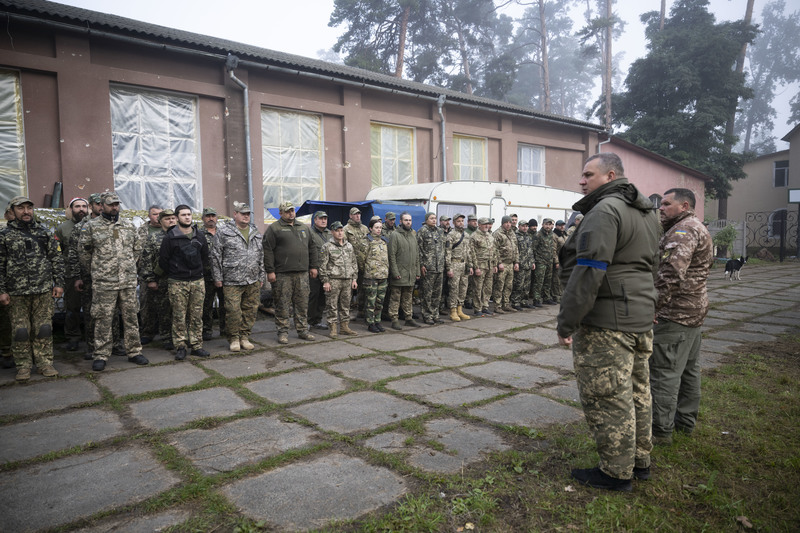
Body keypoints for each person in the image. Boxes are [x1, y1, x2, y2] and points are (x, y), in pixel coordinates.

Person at [557, 152, 660, 492]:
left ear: (610, 175)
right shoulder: (646, 212)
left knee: (607, 396)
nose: (581, 181)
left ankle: (616, 472)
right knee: (637, 391)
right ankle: (640, 461)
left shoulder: (605, 211)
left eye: (588, 174)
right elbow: (650, 267)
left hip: (609, 321)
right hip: (639, 316)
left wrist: (568, 322)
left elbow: (589, 271)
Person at [651, 188, 713, 445]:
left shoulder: (683, 230)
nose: (661, 208)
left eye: (666, 204)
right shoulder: (696, 226)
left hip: (675, 314)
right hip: (693, 311)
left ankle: (661, 431)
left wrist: (653, 307)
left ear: (684, 205)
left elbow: (671, 274)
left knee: (664, 372)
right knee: (689, 370)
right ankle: (685, 423)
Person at [79, 192, 149, 371]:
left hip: (126, 282)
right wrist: (97, 270)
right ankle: (101, 354)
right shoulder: (91, 226)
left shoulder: (127, 225)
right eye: (111, 204)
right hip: (104, 282)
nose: (115, 207)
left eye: (117, 204)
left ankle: (134, 351)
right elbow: (84, 253)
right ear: (102, 206)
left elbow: (136, 249)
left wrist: (127, 266)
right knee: (103, 319)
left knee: (131, 317)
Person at [0, 196, 64, 381]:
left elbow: (56, 259)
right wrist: (2, 290)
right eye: (21, 208)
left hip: (42, 290)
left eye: (29, 208)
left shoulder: (44, 232)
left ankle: (45, 363)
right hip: (16, 293)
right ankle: (23, 366)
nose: (26, 212)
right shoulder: (4, 236)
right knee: (20, 331)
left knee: (43, 328)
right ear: (12, 211)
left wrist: (58, 283)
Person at [263, 201, 319, 345]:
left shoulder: (304, 228)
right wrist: (270, 271)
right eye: (287, 211)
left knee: (302, 304)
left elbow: (312, 247)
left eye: (292, 211)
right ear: (281, 213)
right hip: (282, 274)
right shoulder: (274, 228)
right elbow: (267, 250)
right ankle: (282, 332)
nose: (291, 213)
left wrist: (314, 266)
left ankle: (302, 330)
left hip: (302, 274)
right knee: (282, 304)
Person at [211, 201, 264, 352]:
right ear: (235, 214)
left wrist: (261, 275)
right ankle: (234, 338)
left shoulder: (255, 231)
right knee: (233, 310)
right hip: (232, 279)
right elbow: (215, 255)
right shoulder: (224, 231)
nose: (246, 216)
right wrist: (217, 277)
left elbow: (261, 255)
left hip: (252, 278)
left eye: (248, 214)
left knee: (250, 309)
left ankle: (245, 336)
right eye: (243, 214)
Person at [160, 205, 210, 360]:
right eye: (183, 215)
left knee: (196, 315)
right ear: (177, 217)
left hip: (197, 281)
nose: (187, 217)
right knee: (179, 315)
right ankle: (181, 346)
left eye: (189, 214)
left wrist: (197, 272)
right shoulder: (170, 237)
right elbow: (163, 261)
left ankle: (196, 345)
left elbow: (205, 258)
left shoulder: (199, 236)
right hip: (177, 282)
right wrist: (177, 271)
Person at [139, 209, 177, 349]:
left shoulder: (182, 235)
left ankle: (179, 336)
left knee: (178, 309)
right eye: (167, 219)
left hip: (179, 279)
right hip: (161, 279)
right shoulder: (153, 237)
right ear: (160, 221)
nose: (171, 221)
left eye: (173, 218)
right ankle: (166, 337)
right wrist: (150, 279)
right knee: (164, 309)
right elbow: (147, 260)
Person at [56, 197, 88, 352]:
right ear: (71, 209)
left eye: (84, 206)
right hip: (71, 274)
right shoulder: (62, 228)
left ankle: (92, 337)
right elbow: (58, 251)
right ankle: (73, 337)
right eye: (77, 206)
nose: (81, 209)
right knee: (73, 308)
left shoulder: (92, 225)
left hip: (90, 272)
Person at [319, 221, 358, 338]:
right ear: (332, 232)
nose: (340, 233)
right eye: (337, 230)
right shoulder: (327, 246)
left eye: (341, 230)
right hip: (333, 280)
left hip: (347, 280)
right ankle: (333, 328)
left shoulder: (349, 246)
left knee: (346, 305)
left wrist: (354, 279)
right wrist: (325, 281)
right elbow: (322, 265)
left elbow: (353, 263)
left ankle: (345, 327)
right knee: (332, 305)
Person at [387, 212, 420, 330]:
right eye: (406, 220)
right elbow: (392, 255)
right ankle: (394, 319)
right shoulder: (395, 235)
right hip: (400, 273)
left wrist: (417, 272)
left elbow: (416, 255)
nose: (408, 222)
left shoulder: (412, 235)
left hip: (411, 274)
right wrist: (395, 272)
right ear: (400, 221)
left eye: (410, 220)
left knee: (408, 297)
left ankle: (408, 318)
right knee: (395, 298)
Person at [417, 212, 446, 325]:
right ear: (426, 220)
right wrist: (421, 265)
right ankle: (427, 315)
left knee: (437, 294)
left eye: (435, 218)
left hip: (439, 267)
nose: (434, 220)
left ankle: (435, 314)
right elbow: (419, 249)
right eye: (431, 218)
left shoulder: (439, 231)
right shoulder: (422, 231)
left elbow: (442, 248)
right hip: (428, 268)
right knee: (427, 294)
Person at [200, 207, 225, 340]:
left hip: (223, 275)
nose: (211, 218)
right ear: (203, 218)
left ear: (217, 218)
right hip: (206, 275)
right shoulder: (198, 234)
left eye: (213, 216)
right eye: (208, 216)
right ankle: (206, 330)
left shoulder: (223, 233)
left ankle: (224, 329)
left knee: (225, 304)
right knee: (206, 305)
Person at [444, 213, 473, 322]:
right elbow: (448, 252)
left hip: (464, 264)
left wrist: (470, 265)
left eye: (462, 221)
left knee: (463, 288)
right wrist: (449, 268)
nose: (461, 223)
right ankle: (453, 311)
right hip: (454, 264)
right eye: (458, 221)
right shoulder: (451, 235)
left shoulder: (466, 235)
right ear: (454, 223)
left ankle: (460, 309)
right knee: (454, 288)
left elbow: (469, 251)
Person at [363, 217, 389, 333]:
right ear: (370, 228)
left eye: (380, 228)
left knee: (380, 301)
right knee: (371, 301)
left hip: (383, 275)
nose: (379, 230)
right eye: (376, 228)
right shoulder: (366, 241)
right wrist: (368, 270)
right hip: (371, 276)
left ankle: (377, 320)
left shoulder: (384, 241)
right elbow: (361, 259)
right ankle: (370, 322)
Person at [469, 217, 497, 317]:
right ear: (479, 225)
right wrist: (476, 267)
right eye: (484, 224)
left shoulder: (489, 236)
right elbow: (472, 253)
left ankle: (485, 306)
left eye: (488, 224)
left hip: (489, 266)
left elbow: (494, 251)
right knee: (478, 288)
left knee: (488, 288)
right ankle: (477, 308)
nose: (487, 226)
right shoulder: (474, 236)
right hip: (480, 266)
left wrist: (494, 264)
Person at [492, 215, 520, 313]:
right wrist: (498, 263)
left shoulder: (512, 233)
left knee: (509, 286)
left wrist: (516, 262)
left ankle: (506, 304)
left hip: (510, 264)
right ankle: (497, 306)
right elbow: (494, 250)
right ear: (502, 223)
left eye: (509, 223)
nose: (508, 224)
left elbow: (515, 248)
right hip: (502, 264)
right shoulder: (497, 234)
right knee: (499, 285)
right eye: (506, 223)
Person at [344, 207, 368, 317]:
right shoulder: (346, 229)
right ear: (350, 216)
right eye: (355, 214)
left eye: (359, 214)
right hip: (351, 266)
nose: (358, 216)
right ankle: (346, 313)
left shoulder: (365, 228)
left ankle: (361, 311)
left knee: (363, 289)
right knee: (348, 290)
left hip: (364, 264)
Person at [308, 211, 330, 330]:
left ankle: (317, 320)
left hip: (326, 270)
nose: (323, 221)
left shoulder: (328, 234)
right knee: (313, 295)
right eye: (321, 218)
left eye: (325, 219)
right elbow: (308, 251)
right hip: (314, 270)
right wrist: (312, 267)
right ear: (315, 220)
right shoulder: (310, 233)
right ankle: (308, 320)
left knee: (322, 296)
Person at [531, 218, 557, 307]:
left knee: (548, 281)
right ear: (542, 225)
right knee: (539, 281)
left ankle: (546, 298)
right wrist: (534, 261)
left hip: (549, 261)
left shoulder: (551, 235)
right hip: (540, 262)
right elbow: (533, 249)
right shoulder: (538, 235)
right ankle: (536, 299)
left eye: (550, 224)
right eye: (546, 224)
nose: (548, 226)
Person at [511, 219, 535, 309]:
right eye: (523, 226)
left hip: (528, 264)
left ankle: (524, 301)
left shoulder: (528, 237)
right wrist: (516, 263)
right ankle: (515, 302)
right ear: (519, 226)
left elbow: (530, 251)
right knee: (518, 285)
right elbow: (514, 251)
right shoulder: (515, 237)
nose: (525, 228)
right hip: (520, 264)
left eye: (526, 226)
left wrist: (532, 262)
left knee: (526, 285)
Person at [550, 220, 567, 303]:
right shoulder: (555, 235)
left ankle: (562, 295)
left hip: (565, 260)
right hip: (558, 260)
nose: (562, 227)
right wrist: (556, 262)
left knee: (562, 279)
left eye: (563, 225)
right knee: (556, 280)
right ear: (556, 226)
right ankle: (556, 296)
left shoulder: (564, 235)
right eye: (560, 225)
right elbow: (554, 250)